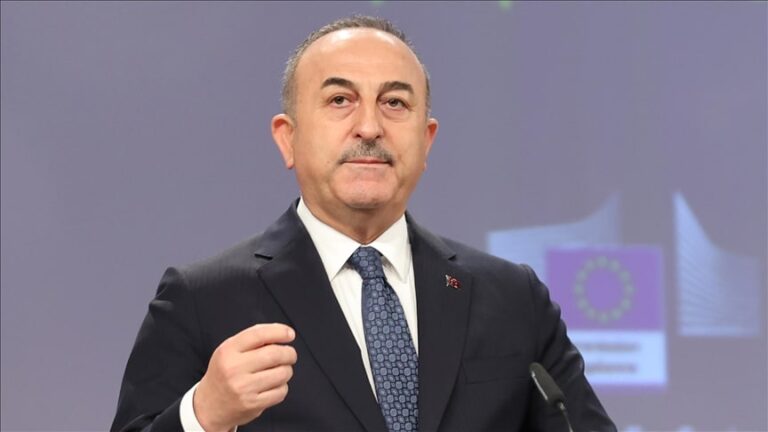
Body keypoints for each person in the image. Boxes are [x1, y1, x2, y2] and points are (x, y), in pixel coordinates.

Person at [112, 15, 616, 432]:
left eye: (395, 103)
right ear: (287, 138)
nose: (370, 127)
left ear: (427, 140)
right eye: (340, 100)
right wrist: (203, 415)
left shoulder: (512, 298)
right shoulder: (203, 300)